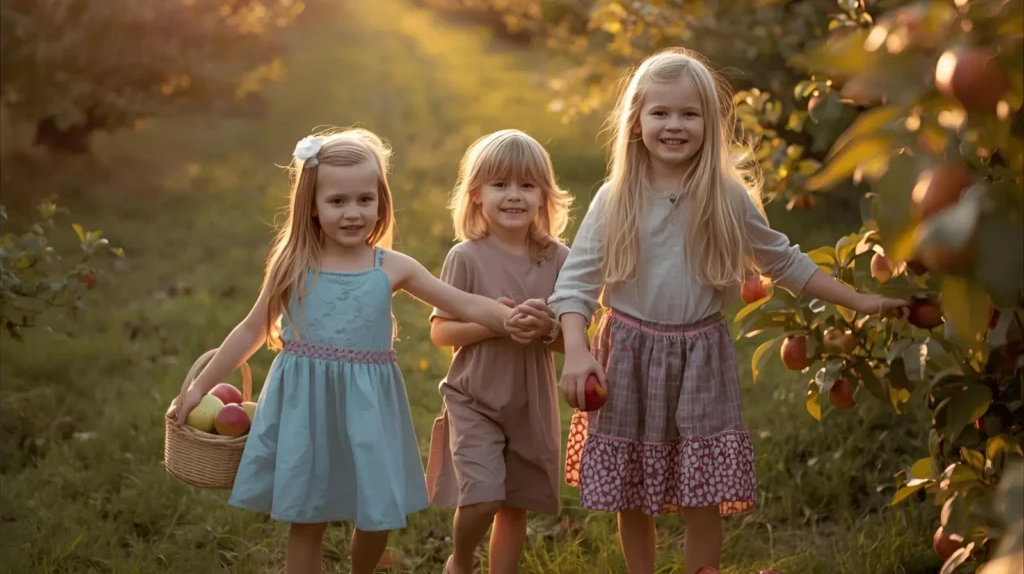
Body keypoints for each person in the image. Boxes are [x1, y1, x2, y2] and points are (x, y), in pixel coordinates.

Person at [536, 48, 908, 574]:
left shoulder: (726, 198)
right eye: (660, 112)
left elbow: (784, 262)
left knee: (703, 487)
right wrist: (576, 352)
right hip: (628, 353)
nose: (674, 124)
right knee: (631, 488)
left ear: (710, 124)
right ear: (636, 122)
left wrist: (861, 300)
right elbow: (575, 285)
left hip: (700, 356)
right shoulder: (615, 198)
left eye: (689, 114)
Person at [167, 128, 547, 574]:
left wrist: (508, 318)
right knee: (306, 518)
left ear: (381, 202)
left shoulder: (392, 267)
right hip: (306, 411)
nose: (353, 213)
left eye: (365, 200)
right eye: (337, 201)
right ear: (311, 205)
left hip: (369, 410)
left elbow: (463, 303)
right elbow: (252, 328)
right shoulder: (294, 264)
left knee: (375, 516)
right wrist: (199, 388)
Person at [423, 129, 574, 574]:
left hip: (530, 401)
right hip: (475, 396)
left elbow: (572, 339)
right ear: (476, 195)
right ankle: (461, 562)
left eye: (527, 185)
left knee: (513, 503)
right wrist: (494, 322)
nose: (514, 195)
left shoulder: (559, 259)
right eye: (500, 185)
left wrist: (545, 329)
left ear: (544, 195)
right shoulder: (466, 257)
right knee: (483, 495)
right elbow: (441, 333)